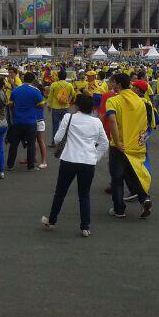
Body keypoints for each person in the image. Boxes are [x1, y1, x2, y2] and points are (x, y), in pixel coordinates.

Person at [42, 94, 108, 237]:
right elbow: (104, 143)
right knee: (84, 195)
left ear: (76, 105)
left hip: (69, 159)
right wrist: (95, 157)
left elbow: (58, 138)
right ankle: (85, 226)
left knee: (60, 192)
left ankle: (52, 220)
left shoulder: (69, 118)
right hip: (88, 161)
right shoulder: (97, 122)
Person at [105, 73, 152, 219]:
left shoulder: (113, 100)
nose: (112, 85)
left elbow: (112, 121)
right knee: (133, 175)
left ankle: (119, 209)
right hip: (136, 145)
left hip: (119, 146)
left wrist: (118, 141)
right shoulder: (140, 101)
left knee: (117, 178)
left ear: (118, 85)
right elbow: (145, 123)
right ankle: (144, 198)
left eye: (113, 82)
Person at [7, 72, 43, 172]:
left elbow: (10, 104)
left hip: (17, 121)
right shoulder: (35, 91)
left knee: (14, 144)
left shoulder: (16, 89)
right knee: (31, 144)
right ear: (33, 80)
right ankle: (30, 166)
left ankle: (10, 165)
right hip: (31, 121)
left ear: (23, 79)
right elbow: (41, 105)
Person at [47, 70, 75, 142]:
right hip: (65, 107)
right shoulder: (69, 85)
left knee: (55, 125)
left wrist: (49, 105)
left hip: (55, 107)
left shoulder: (54, 84)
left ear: (58, 76)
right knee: (65, 125)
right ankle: (64, 141)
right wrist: (71, 102)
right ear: (65, 77)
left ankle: (54, 141)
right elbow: (73, 95)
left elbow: (50, 96)